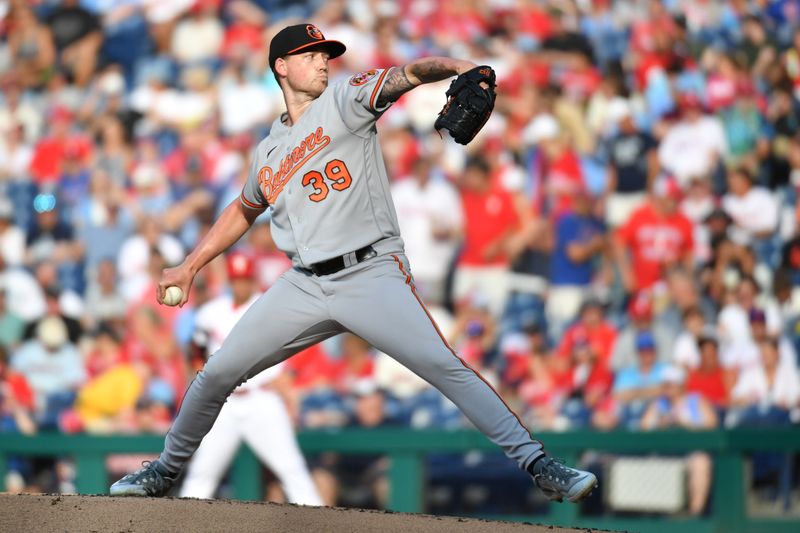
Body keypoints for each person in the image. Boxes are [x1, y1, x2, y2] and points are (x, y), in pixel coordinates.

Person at [110, 23, 596, 503]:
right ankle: (164, 469)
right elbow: (243, 209)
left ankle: (539, 463)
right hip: (303, 283)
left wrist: (458, 66)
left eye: (326, 53)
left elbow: (410, 73)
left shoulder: (344, 101)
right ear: (281, 67)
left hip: (371, 272)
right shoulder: (267, 152)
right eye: (311, 53)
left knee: (442, 365)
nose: (323, 60)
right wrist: (191, 265)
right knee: (217, 373)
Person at [179, 252, 322, 505]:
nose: (240, 285)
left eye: (244, 279)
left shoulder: (267, 307)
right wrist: (201, 373)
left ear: (252, 280)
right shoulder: (212, 311)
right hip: (224, 403)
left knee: (292, 470)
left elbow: (302, 344)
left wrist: (289, 377)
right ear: (229, 281)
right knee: (202, 474)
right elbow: (196, 348)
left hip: (262, 400)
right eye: (235, 279)